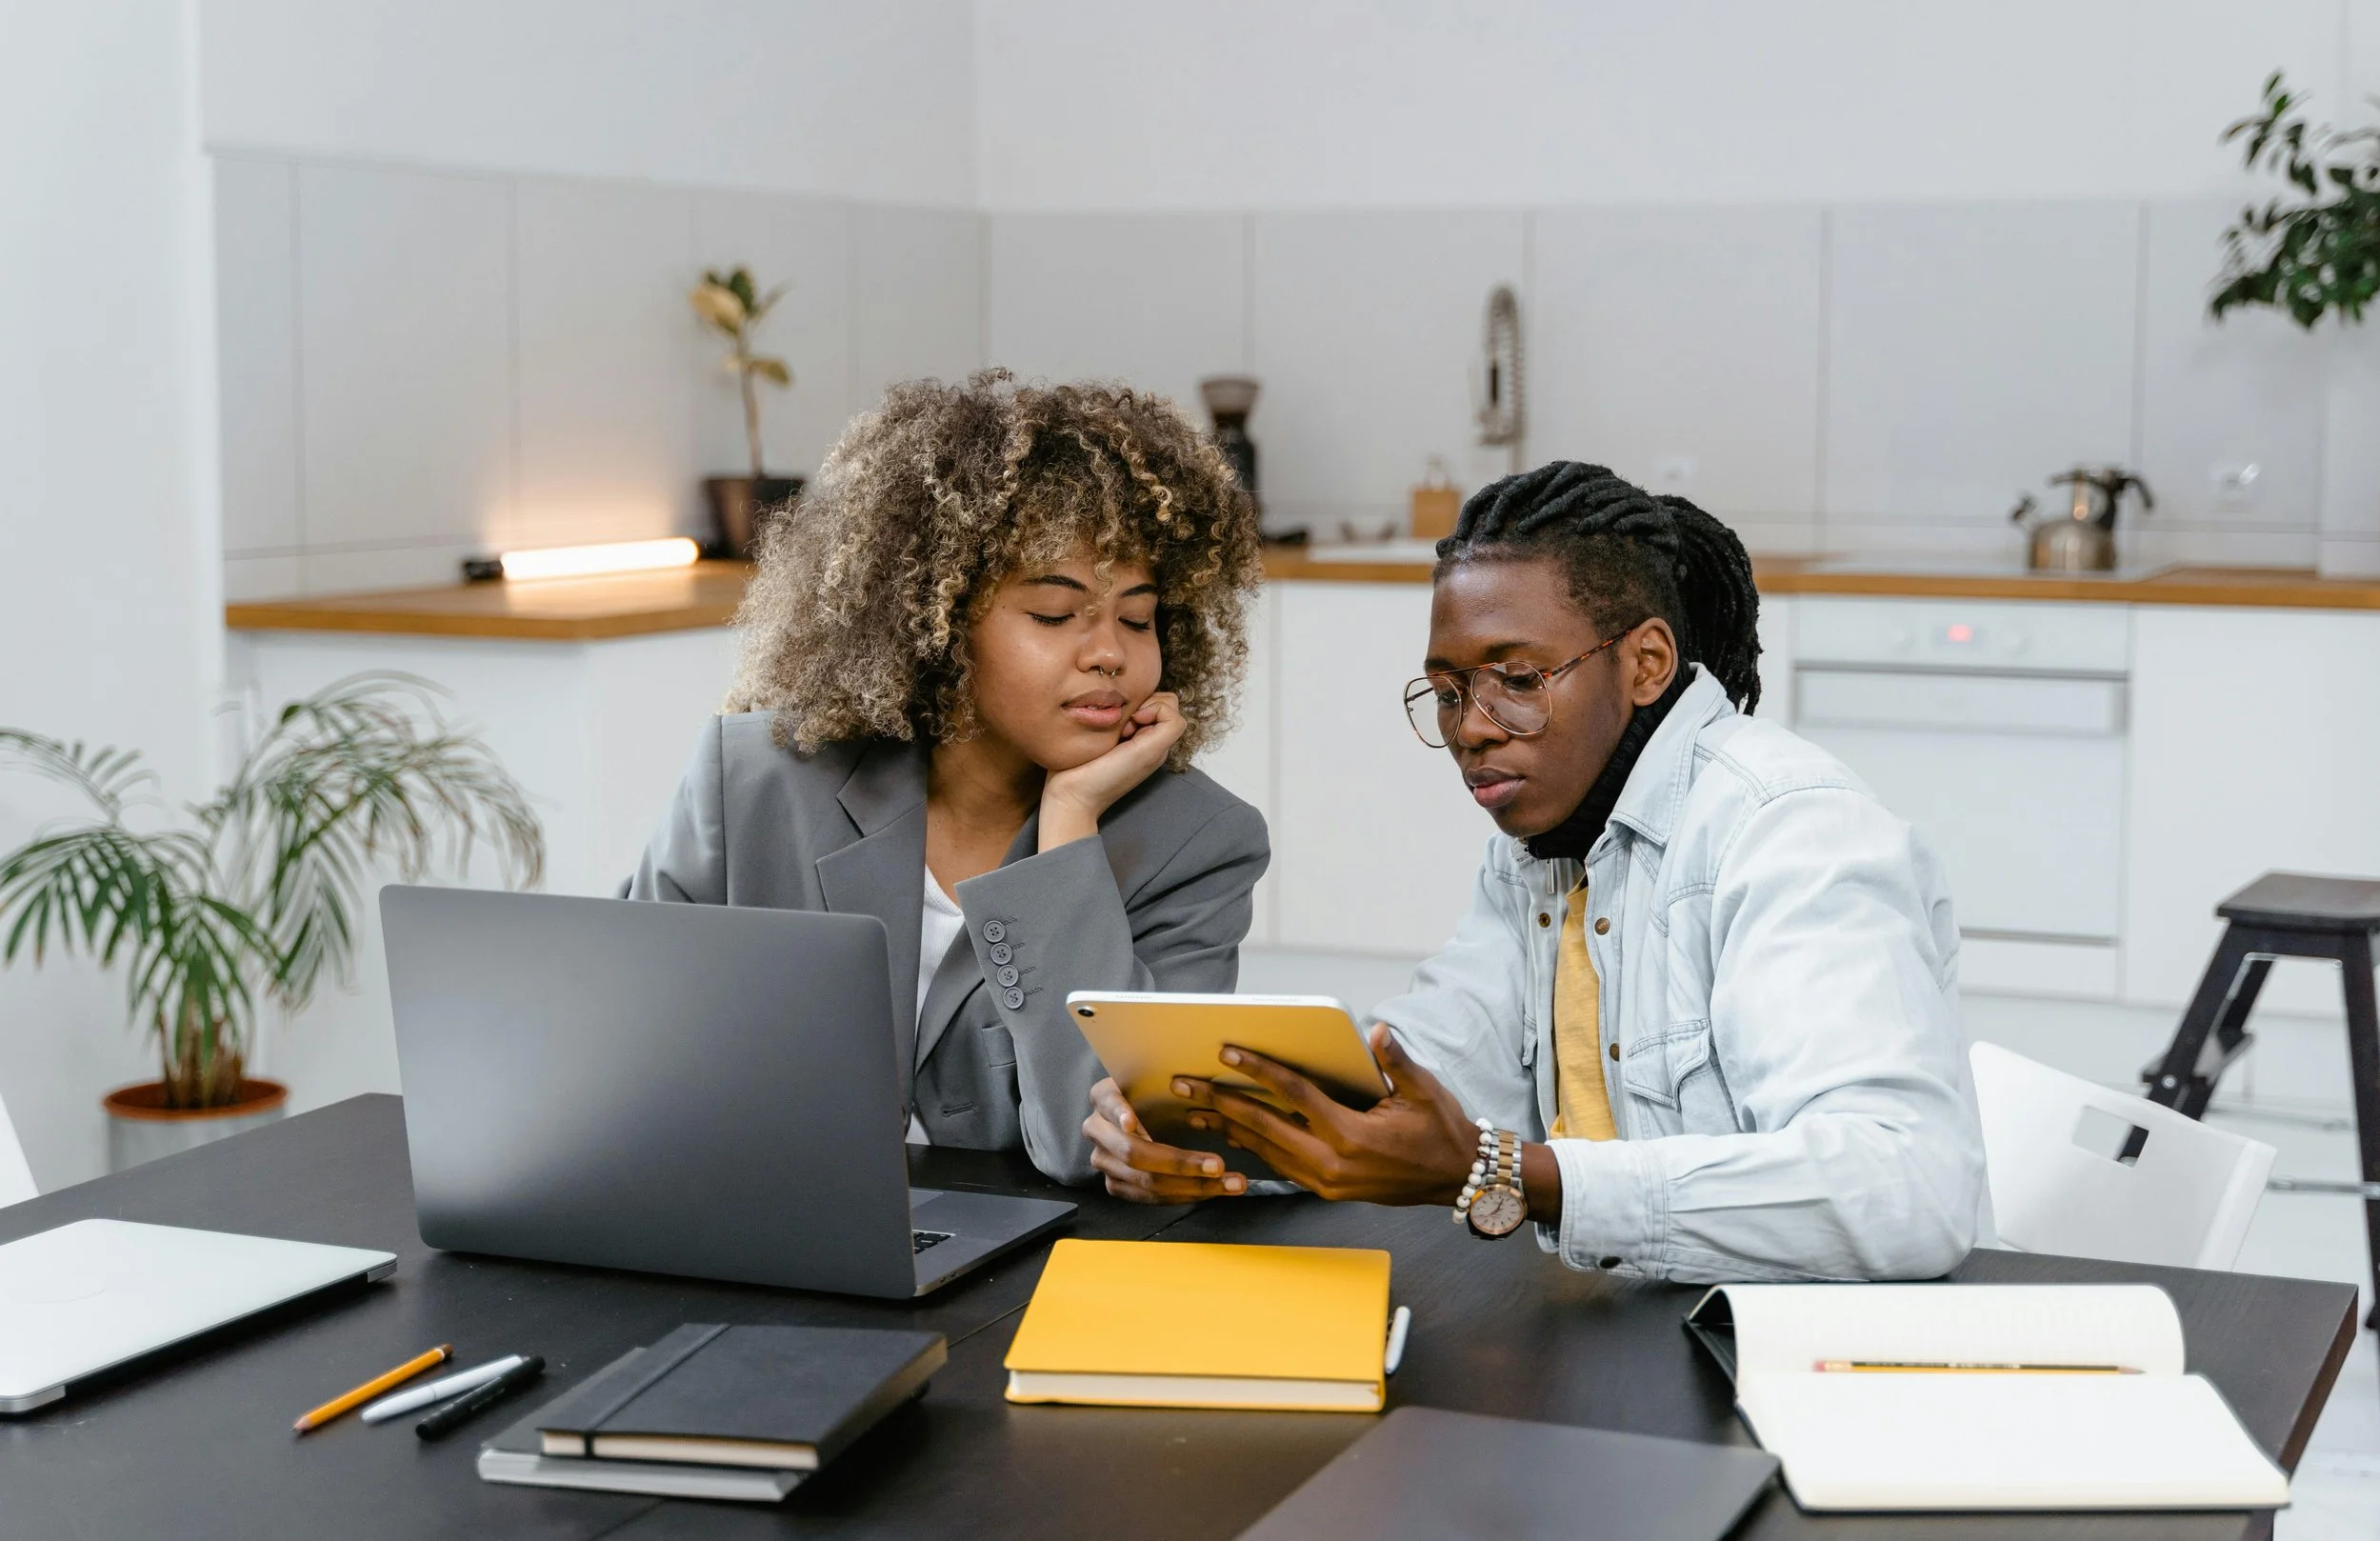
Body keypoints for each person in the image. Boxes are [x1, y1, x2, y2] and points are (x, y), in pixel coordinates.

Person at [1084, 461, 1987, 1283]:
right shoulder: (1538, 854)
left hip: (1820, 1377)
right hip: (1641, 1335)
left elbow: (1904, 1185)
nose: (1470, 726)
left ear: (1647, 664)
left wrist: (1514, 1171)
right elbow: (1427, 1079)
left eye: (1515, 677)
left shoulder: (1787, 829)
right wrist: (1221, 1136)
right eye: (1446, 693)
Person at [630, 370, 1269, 1183]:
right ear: (932, 616)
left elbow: (1099, 1150)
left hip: (1039, 1274)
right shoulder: (753, 779)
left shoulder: (1199, 845)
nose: (1110, 651)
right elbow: (627, 1054)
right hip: (759, 1224)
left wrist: (1069, 825)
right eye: (1053, 614)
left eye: (1137, 618)